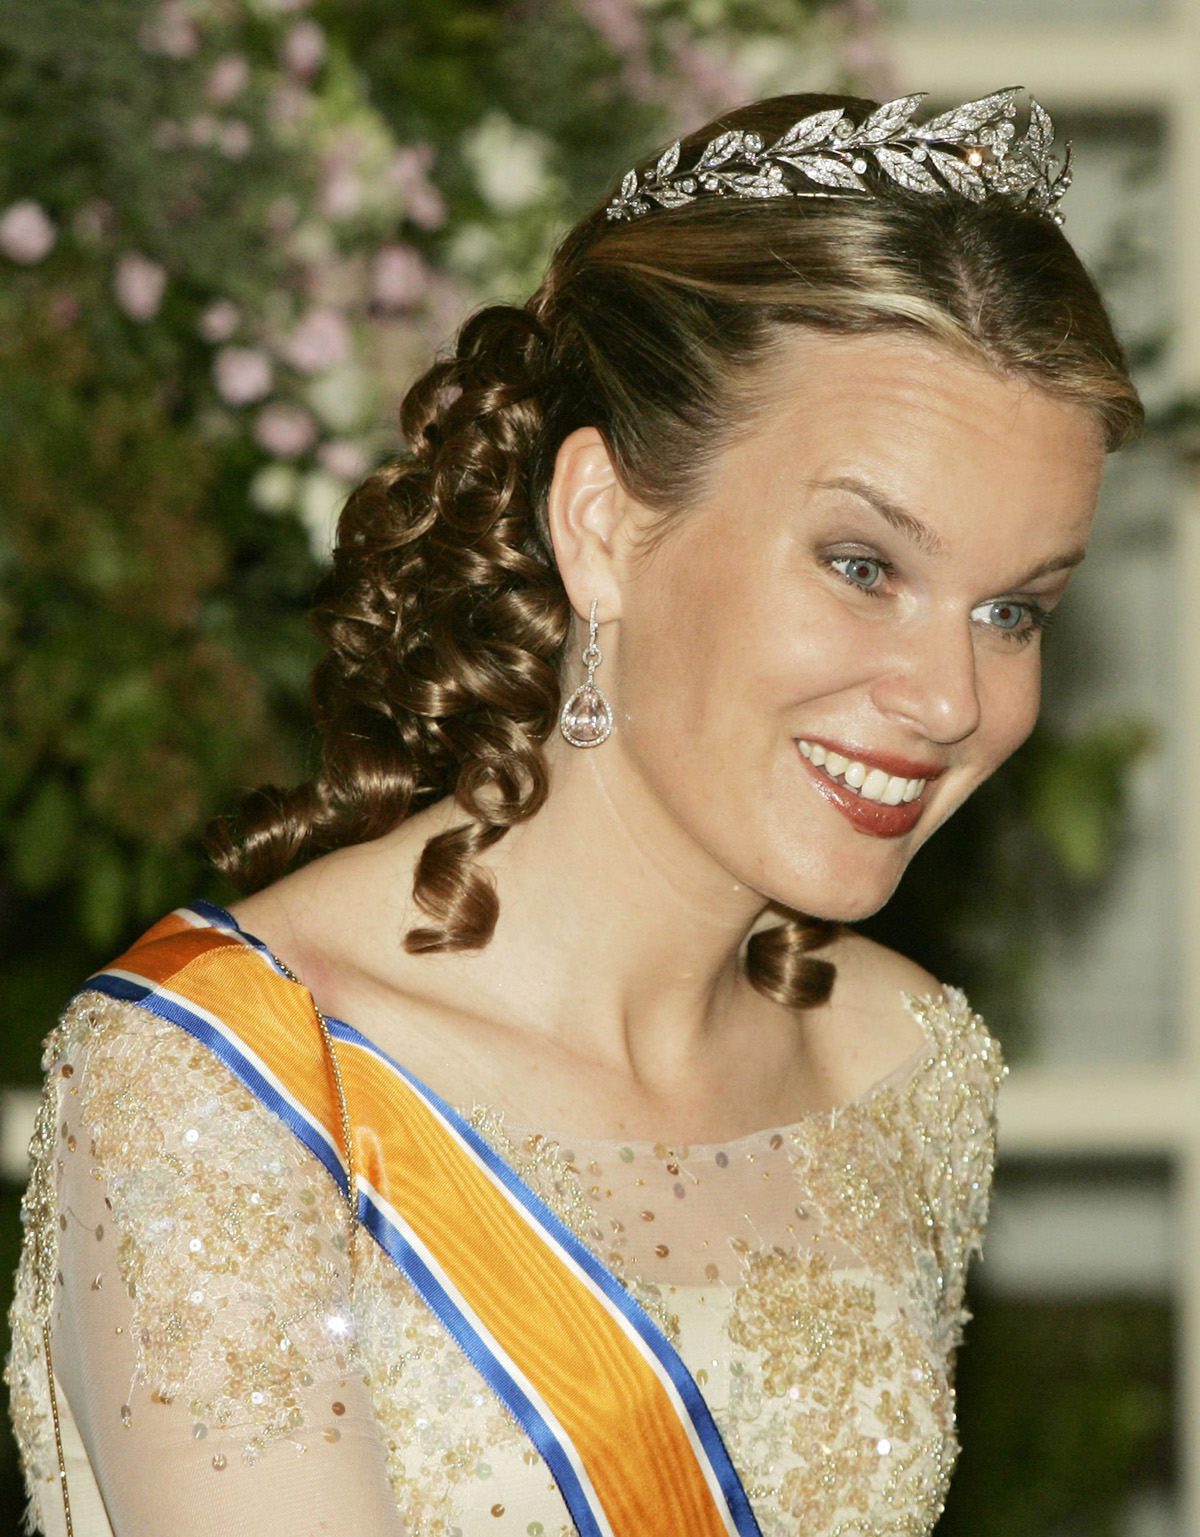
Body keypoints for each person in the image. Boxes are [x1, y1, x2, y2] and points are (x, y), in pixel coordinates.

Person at [8, 88, 1141, 1537]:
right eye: (862, 564)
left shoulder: (902, 1064)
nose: (948, 695)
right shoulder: (233, 1086)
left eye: (1013, 607)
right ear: (602, 524)